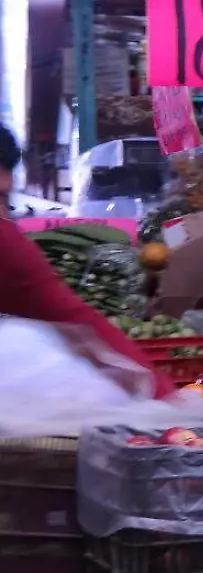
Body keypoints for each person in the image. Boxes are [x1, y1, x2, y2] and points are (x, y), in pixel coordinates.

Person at [0, 126, 175, 395]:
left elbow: (74, 321)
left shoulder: (6, 243)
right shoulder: (5, 241)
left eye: (3, 200)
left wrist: (160, 394)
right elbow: (75, 322)